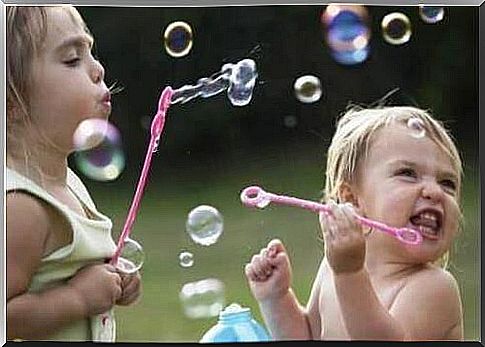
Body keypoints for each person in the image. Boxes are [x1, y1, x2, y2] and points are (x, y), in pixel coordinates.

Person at [244, 105, 464, 340]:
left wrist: (349, 273)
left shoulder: (434, 288)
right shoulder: (333, 268)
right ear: (351, 199)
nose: (434, 191)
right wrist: (276, 298)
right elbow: (308, 336)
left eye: (447, 183)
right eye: (408, 173)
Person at [6, 6, 141, 341]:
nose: (98, 70)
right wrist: (77, 299)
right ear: (11, 99)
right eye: (71, 59)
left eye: (91, 53)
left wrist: (113, 281)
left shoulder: (66, 182)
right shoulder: (22, 206)